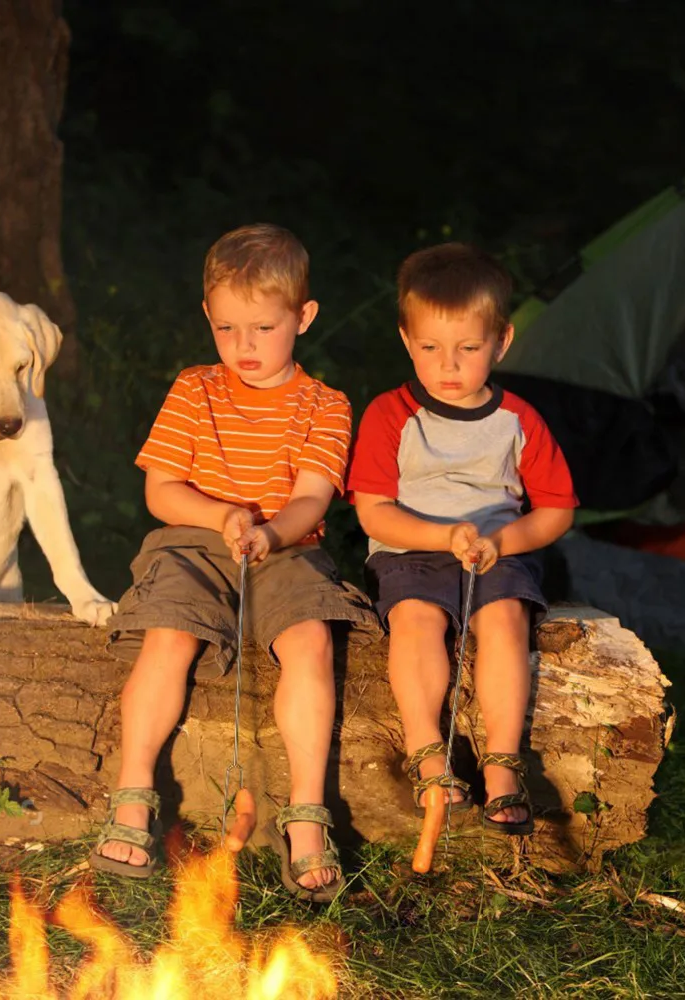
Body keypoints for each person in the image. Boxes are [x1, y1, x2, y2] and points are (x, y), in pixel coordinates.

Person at [92, 223, 379, 899]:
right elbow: (161, 492)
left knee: (309, 640)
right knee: (168, 637)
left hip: (286, 548)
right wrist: (220, 516)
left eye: (262, 328)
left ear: (303, 317)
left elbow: (313, 497)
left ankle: (306, 815)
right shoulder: (195, 391)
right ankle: (133, 793)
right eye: (226, 329)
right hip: (195, 543)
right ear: (207, 318)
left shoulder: (325, 405)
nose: (242, 347)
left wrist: (271, 534)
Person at [347, 242, 578, 835]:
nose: (448, 366)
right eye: (430, 348)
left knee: (504, 619)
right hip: (411, 549)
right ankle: (428, 750)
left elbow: (556, 510)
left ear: (500, 342)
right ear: (406, 339)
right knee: (418, 619)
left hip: (496, 548)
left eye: (468, 349)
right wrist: (439, 534)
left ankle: (502, 764)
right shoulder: (390, 415)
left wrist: (505, 540)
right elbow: (373, 512)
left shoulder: (519, 421)